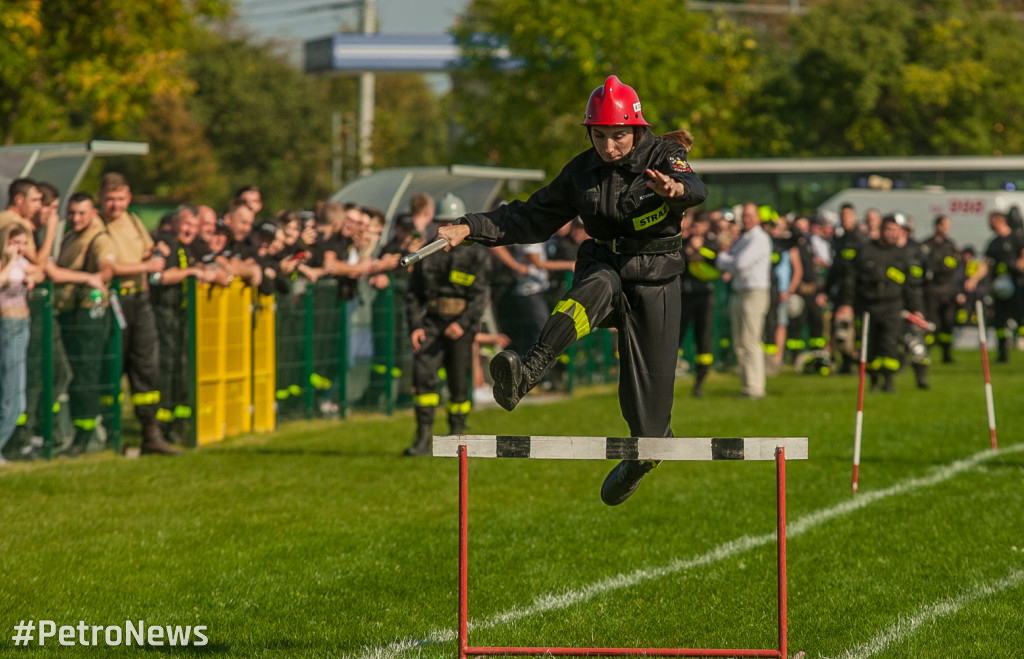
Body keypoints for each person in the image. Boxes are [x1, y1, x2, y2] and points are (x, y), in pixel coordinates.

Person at [434, 75, 707, 504]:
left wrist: (676, 190)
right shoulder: (580, 173)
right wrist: (470, 226)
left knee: (652, 434)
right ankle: (528, 372)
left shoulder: (664, 154)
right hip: (606, 263)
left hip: (656, 277)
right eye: (599, 137)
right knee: (596, 286)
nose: (609, 147)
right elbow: (529, 216)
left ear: (636, 129)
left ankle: (642, 460)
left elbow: (694, 187)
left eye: (618, 136)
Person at [98, 173, 180, 455]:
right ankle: (109, 433)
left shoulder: (133, 221)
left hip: (139, 300)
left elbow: (148, 251)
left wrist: (157, 251)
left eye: (120, 199)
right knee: (113, 367)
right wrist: (144, 267)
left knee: (147, 366)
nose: (115, 205)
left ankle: (150, 432)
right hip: (114, 300)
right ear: (100, 198)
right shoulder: (98, 226)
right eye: (110, 198)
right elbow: (108, 268)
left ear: (129, 198)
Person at [403, 194, 491, 456]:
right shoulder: (425, 252)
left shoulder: (475, 255)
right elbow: (413, 294)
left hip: (460, 328)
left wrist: (463, 323)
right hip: (430, 325)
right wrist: (416, 326)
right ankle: (423, 438)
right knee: (424, 379)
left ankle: (457, 435)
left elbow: (481, 294)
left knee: (458, 383)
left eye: (450, 222)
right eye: (440, 222)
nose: (444, 227)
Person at [53, 193, 116, 455]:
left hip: (88, 316)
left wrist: (92, 279)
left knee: (85, 376)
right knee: (69, 374)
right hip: (67, 314)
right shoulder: (70, 237)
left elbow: (106, 270)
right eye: (72, 213)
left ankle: (85, 433)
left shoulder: (100, 240)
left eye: (82, 213)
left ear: (93, 214)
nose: (76, 218)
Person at [835, 213, 925, 393]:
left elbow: (911, 287)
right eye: (889, 230)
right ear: (881, 230)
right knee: (869, 346)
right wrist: (847, 304)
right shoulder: (866, 250)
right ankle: (874, 381)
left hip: (893, 306)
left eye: (895, 231)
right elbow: (851, 281)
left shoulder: (902, 255)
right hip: (868, 306)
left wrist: (916, 309)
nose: (892, 234)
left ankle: (889, 382)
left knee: (889, 344)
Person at [716, 202, 773, 399]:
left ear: (757, 217)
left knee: (751, 340)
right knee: (739, 341)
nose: (746, 219)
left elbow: (738, 264)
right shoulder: (743, 239)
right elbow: (721, 259)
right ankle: (747, 384)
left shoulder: (759, 238)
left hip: (754, 292)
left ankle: (756, 387)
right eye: (745, 215)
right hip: (740, 291)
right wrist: (728, 261)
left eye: (750, 215)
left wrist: (728, 261)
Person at [964, 211, 1024, 363]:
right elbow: (985, 263)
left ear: (999, 221)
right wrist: (973, 279)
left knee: (1020, 317)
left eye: (990, 221)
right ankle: (1002, 353)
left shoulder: (1017, 238)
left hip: (1018, 285)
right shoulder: (994, 243)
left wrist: (1018, 266)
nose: (988, 225)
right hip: (1000, 288)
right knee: (1000, 321)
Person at [679, 210, 721, 397]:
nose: (697, 228)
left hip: (705, 296)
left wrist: (698, 250)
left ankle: (699, 382)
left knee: (703, 341)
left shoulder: (711, 243)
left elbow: (715, 261)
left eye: (700, 224)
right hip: (685, 295)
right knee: (676, 337)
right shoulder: (684, 241)